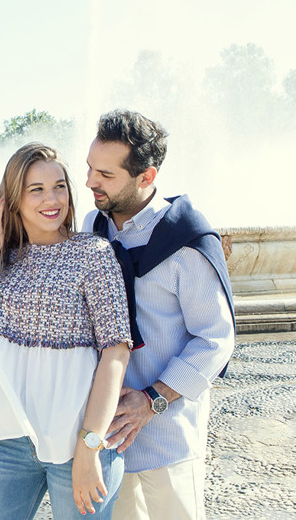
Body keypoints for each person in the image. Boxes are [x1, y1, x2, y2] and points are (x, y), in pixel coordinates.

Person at [0, 143, 133, 519]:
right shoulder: (3, 259)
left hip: (78, 441)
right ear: (12, 199)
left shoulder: (93, 253)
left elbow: (116, 352)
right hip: (10, 441)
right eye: (36, 190)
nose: (51, 200)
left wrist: (90, 445)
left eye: (59, 187)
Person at [82, 110, 235, 520]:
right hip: (106, 435)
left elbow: (216, 339)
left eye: (106, 174)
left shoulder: (186, 240)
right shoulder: (91, 228)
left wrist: (152, 400)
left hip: (168, 435)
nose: (90, 182)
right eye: (90, 168)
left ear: (146, 177)